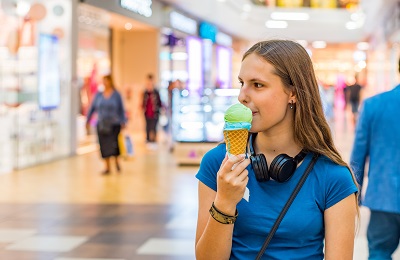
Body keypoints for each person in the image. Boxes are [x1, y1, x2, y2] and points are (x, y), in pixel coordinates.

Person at [195, 40, 359, 259]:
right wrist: (224, 201)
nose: (242, 96)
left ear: (293, 93)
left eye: (258, 85)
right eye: (242, 83)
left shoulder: (333, 177)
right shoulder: (218, 163)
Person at [350, 67, 400, 259]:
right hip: (383, 198)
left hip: (384, 197)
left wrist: (354, 195)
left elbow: (358, 156)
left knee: (379, 252)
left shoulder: (374, 105)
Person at [86, 74, 127, 175]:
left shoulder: (116, 94)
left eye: (107, 81)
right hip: (102, 124)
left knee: (114, 144)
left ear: (110, 81)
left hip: (114, 124)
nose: (105, 83)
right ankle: (107, 166)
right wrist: (88, 120)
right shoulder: (99, 95)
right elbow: (92, 108)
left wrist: (123, 121)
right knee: (104, 145)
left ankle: (117, 162)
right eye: (103, 81)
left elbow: (121, 109)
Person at [142, 73, 162, 143]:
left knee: (154, 127)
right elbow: (143, 102)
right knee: (148, 126)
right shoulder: (145, 92)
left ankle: (154, 140)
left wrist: (162, 109)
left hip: (155, 113)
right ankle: (148, 139)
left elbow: (159, 102)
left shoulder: (156, 92)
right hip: (147, 112)